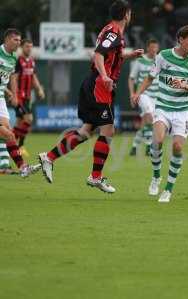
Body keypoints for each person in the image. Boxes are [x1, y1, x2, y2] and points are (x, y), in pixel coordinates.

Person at [38, 0, 144, 193]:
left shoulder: (110, 30)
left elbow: (109, 54)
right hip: (99, 86)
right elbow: (98, 55)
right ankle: (95, 177)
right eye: (130, 12)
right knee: (108, 130)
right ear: (126, 14)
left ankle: (49, 157)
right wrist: (104, 76)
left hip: (95, 84)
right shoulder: (113, 32)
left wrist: (129, 56)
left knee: (85, 132)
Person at [132, 25, 188, 203]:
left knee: (177, 148)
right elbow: (150, 77)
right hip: (163, 106)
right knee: (157, 141)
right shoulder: (163, 56)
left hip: (183, 110)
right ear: (180, 39)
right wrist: (137, 93)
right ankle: (156, 177)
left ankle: (168, 189)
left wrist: (185, 85)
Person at [0, 28, 40, 177]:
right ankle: (23, 167)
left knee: (7, 134)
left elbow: (5, 80)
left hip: (1, 99)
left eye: (19, 40)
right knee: (9, 134)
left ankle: (6, 165)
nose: (18, 43)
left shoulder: (12, 59)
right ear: (8, 39)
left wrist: (10, 93)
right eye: (16, 40)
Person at [13, 39, 45, 156]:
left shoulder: (31, 61)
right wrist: (14, 94)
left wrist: (39, 89)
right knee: (29, 119)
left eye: (31, 47)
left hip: (27, 97)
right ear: (22, 47)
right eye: (27, 46)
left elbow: (33, 77)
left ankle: (10, 144)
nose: (29, 49)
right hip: (19, 97)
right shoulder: (18, 61)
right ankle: (20, 146)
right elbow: (14, 78)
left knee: (19, 122)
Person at [128, 39, 160, 156]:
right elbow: (131, 78)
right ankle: (148, 146)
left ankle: (134, 146)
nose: (154, 50)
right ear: (148, 48)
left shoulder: (159, 60)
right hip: (143, 94)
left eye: (156, 48)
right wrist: (132, 94)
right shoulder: (140, 60)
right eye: (152, 48)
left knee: (145, 123)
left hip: (156, 96)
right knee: (149, 116)